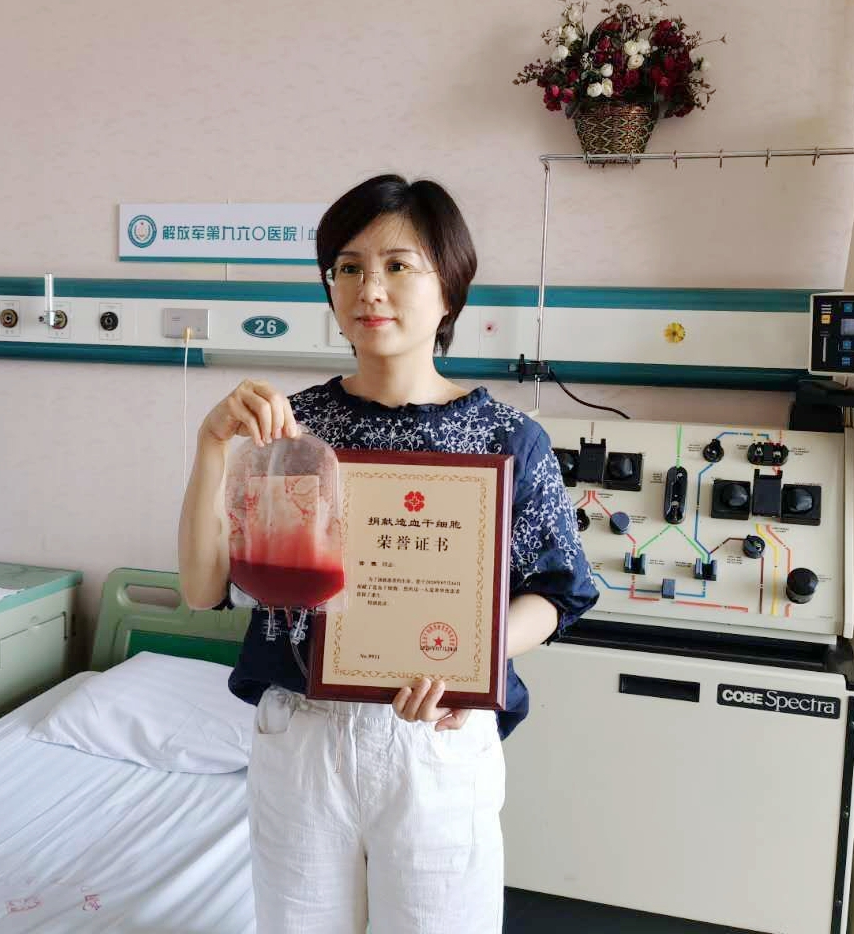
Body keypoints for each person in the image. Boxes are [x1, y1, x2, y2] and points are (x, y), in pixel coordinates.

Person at [178, 174, 598, 934]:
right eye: (348, 267)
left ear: (450, 289)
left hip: (437, 735)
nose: (369, 288)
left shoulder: (508, 440)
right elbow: (204, 590)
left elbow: (559, 591)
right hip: (303, 733)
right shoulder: (290, 432)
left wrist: (471, 658)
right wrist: (212, 448)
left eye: (398, 265)